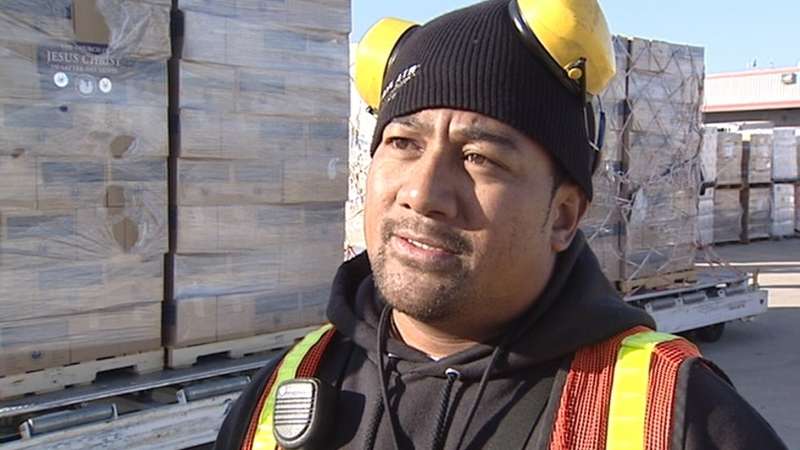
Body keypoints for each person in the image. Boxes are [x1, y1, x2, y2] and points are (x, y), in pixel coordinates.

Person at [215, 1, 787, 449]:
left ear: (563, 216)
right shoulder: (284, 391)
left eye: (479, 158)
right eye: (404, 142)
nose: (422, 194)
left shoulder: (672, 417)